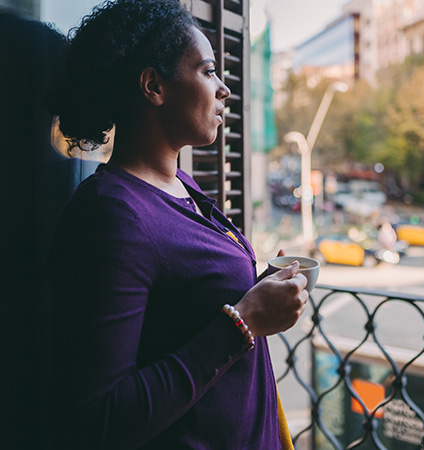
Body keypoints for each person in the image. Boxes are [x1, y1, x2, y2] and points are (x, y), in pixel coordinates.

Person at [47, 1, 308, 449]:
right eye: (208, 71)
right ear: (154, 86)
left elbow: (184, 301)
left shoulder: (181, 187)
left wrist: (253, 288)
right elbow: (97, 418)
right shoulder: (112, 216)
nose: (224, 89)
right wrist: (243, 321)